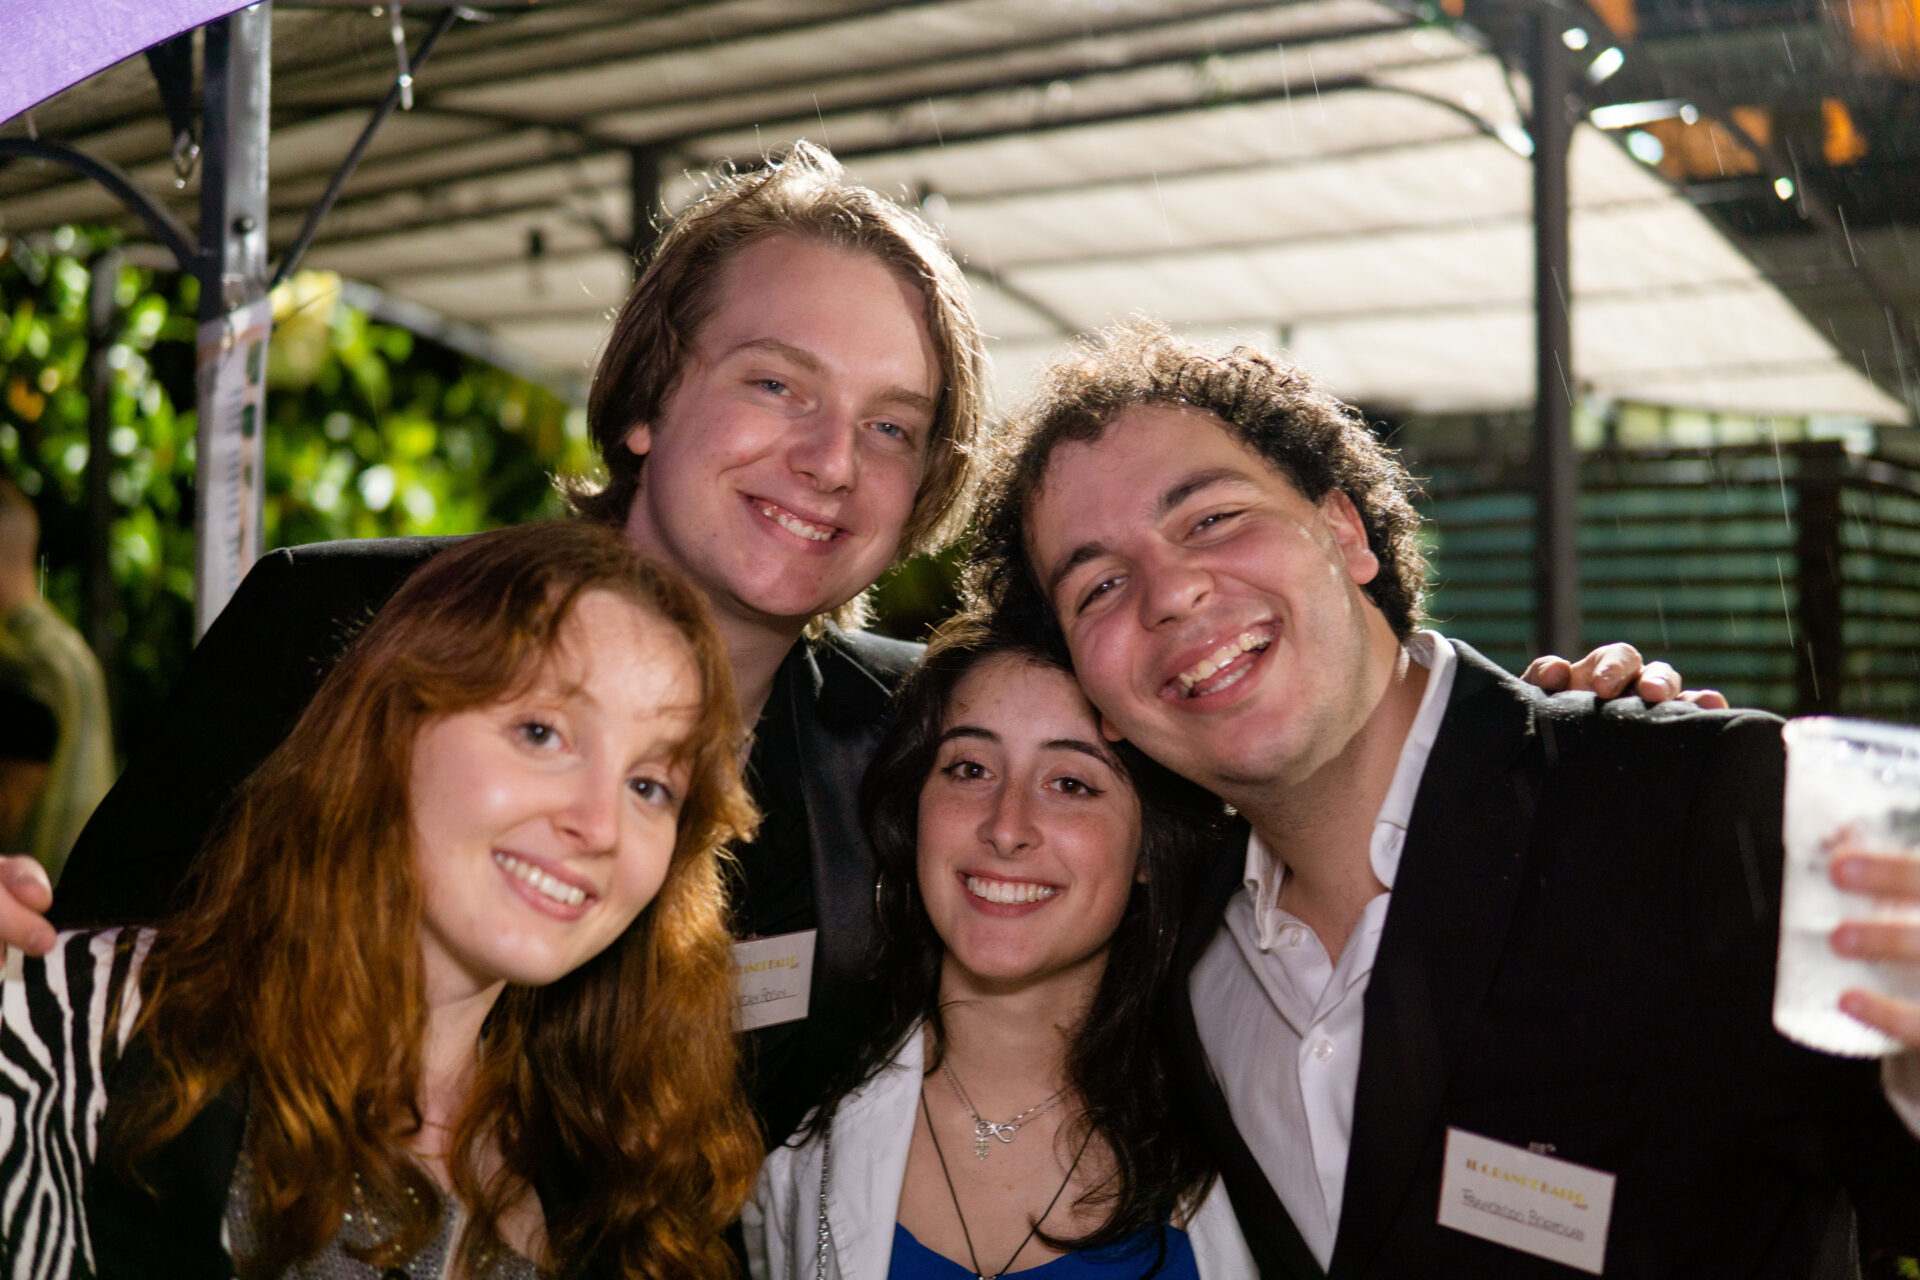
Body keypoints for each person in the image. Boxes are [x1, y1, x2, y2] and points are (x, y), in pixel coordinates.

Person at [0, 143, 1681, 1146]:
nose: (828, 462)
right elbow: (77, 1006)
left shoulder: (918, 742)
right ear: (647, 398)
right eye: (776, 385)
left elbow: (1228, 731)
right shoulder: (339, 631)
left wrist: (1540, 739)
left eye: (892, 426)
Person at [968, 320, 1920, 1277]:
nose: (1170, 593)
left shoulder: (1698, 811)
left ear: (1346, 534)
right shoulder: (1182, 963)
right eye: (1099, 585)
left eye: (1212, 519)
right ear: (1100, 700)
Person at [0, 522, 761, 1278]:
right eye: (541, 733)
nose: (599, 825)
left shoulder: (630, 1182)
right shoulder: (90, 1023)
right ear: (392, 727)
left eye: (649, 786)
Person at [747, 615, 1253, 1280]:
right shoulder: (785, 1134)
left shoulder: (1250, 1128)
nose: (1007, 827)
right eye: (970, 769)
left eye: (1070, 784)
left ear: (1150, 850)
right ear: (915, 811)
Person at [0, 474, 115, 881]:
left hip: (27, 901)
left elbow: (6, 811)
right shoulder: (68, 648)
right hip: (79, 893)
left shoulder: (17, 663)